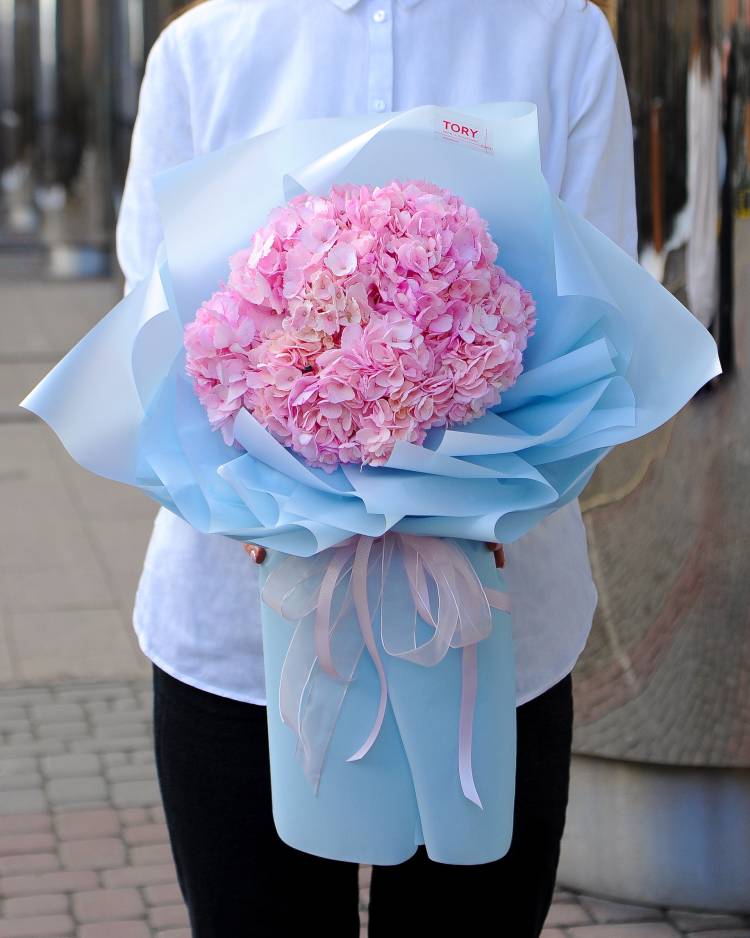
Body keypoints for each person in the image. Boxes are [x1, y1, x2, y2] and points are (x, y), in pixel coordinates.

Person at [115, 1, 636, 935]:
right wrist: (265, 498)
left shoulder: (560, 32)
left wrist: (490, 489)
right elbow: (150, 317)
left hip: (497, 621)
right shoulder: (202, 46)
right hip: (238, 631)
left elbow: (603, 309)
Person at [686, 0, 724, 332]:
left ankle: (703, 314)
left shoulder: (700, 60)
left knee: (701, 233)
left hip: (701, 163)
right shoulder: (707, 60)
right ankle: (704, 314)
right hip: (707, 163)